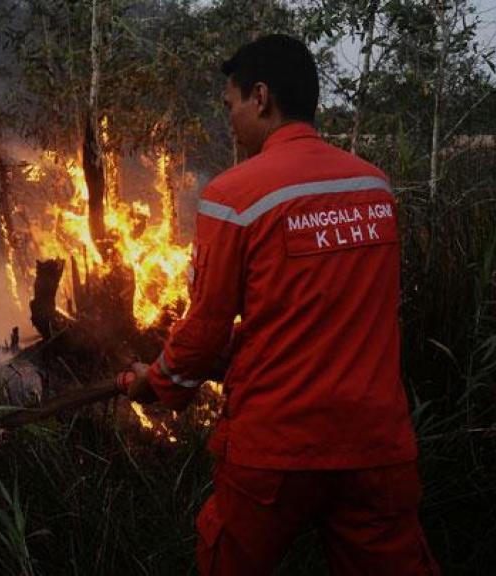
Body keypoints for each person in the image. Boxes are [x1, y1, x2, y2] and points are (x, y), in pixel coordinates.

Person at [116, 34, 439, 575]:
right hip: (376, 447)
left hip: (275, 450)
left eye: (231, 105)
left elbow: (203, 336)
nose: (232, 121)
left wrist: (156, 382)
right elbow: (333, 309)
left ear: (260, 97)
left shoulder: (235, 195)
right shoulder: (375, 187)